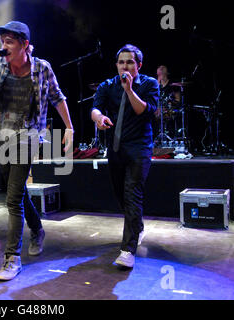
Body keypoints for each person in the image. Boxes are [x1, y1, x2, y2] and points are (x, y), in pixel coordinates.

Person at [0, 21, 74, 280]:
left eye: (10, 42)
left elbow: (58, 97)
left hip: (27, 137)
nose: (4, 46)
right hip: (0, 136)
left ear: (25, 45)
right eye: (2, 41)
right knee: (16, 192)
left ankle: (11, 258)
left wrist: (69, 128)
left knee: (12, 199)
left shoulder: (42, 68)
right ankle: (37, 229)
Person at [91, 44, 159, 268]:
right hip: (116, 148)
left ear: (139, 65)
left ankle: (128, 250)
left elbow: (144, 111)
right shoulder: (108, 85)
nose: (125, 66)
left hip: (140, 148)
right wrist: (99, 118)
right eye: (121, 62)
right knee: (121, 194)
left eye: (130, 62)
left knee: (132, 194)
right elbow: (95, 108)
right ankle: (136, 227)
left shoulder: (150, 84)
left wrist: (129, 90)